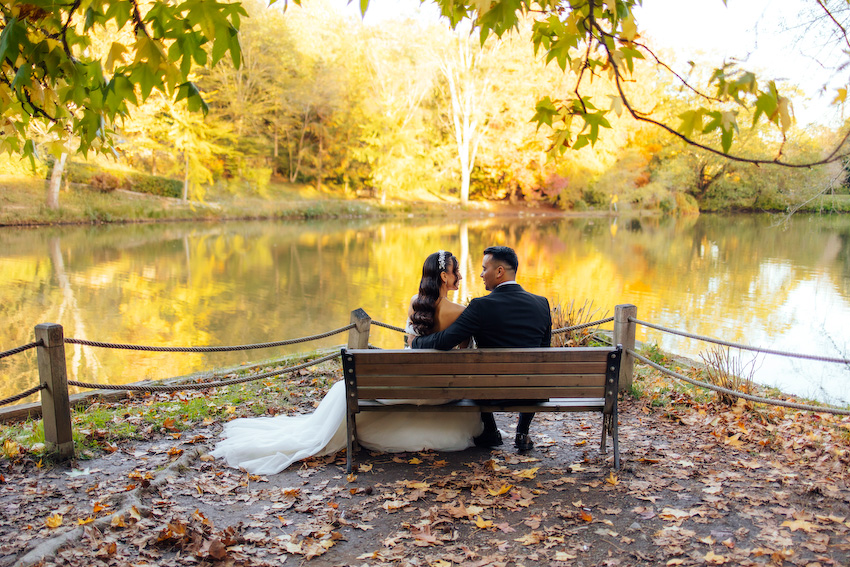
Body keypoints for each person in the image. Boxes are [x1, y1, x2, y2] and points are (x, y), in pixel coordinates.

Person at [211, 250, 482, 475]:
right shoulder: (459, 312)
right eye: (456, 271)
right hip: (437, 390)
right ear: (444, 276)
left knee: (345, 386)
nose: (459, 275)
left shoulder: (415, 303)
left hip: (404, 385)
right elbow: (464, 353)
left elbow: (410, 344)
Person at [411, 246, 552, 452]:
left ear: (499, 271)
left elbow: (444, 341)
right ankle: (522, 432)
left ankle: (490, 430)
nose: (481, 274)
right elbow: (544, 351)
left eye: (485, 268)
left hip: (491, 391)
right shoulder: (542, 304)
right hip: (533, 390)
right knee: (531, 375)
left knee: (476, 379)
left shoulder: (480, 306)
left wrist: (415, 342)